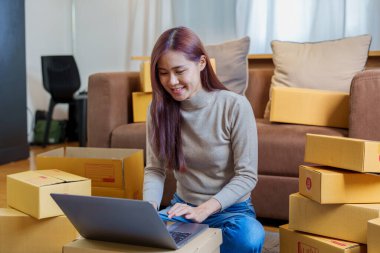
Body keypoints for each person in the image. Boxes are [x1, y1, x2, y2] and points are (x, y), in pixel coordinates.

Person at [143, 26, 265, 253]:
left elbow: (247, 176)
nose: (171, 81)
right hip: (182, 210)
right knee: (136, 235)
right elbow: (155, 169)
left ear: (201, 63)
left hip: (231, 212)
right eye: (163, 73)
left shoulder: (234, 105)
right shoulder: (158, 109)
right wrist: (149, 210)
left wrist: (205, 210)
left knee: (248, 238)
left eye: (179, 71)